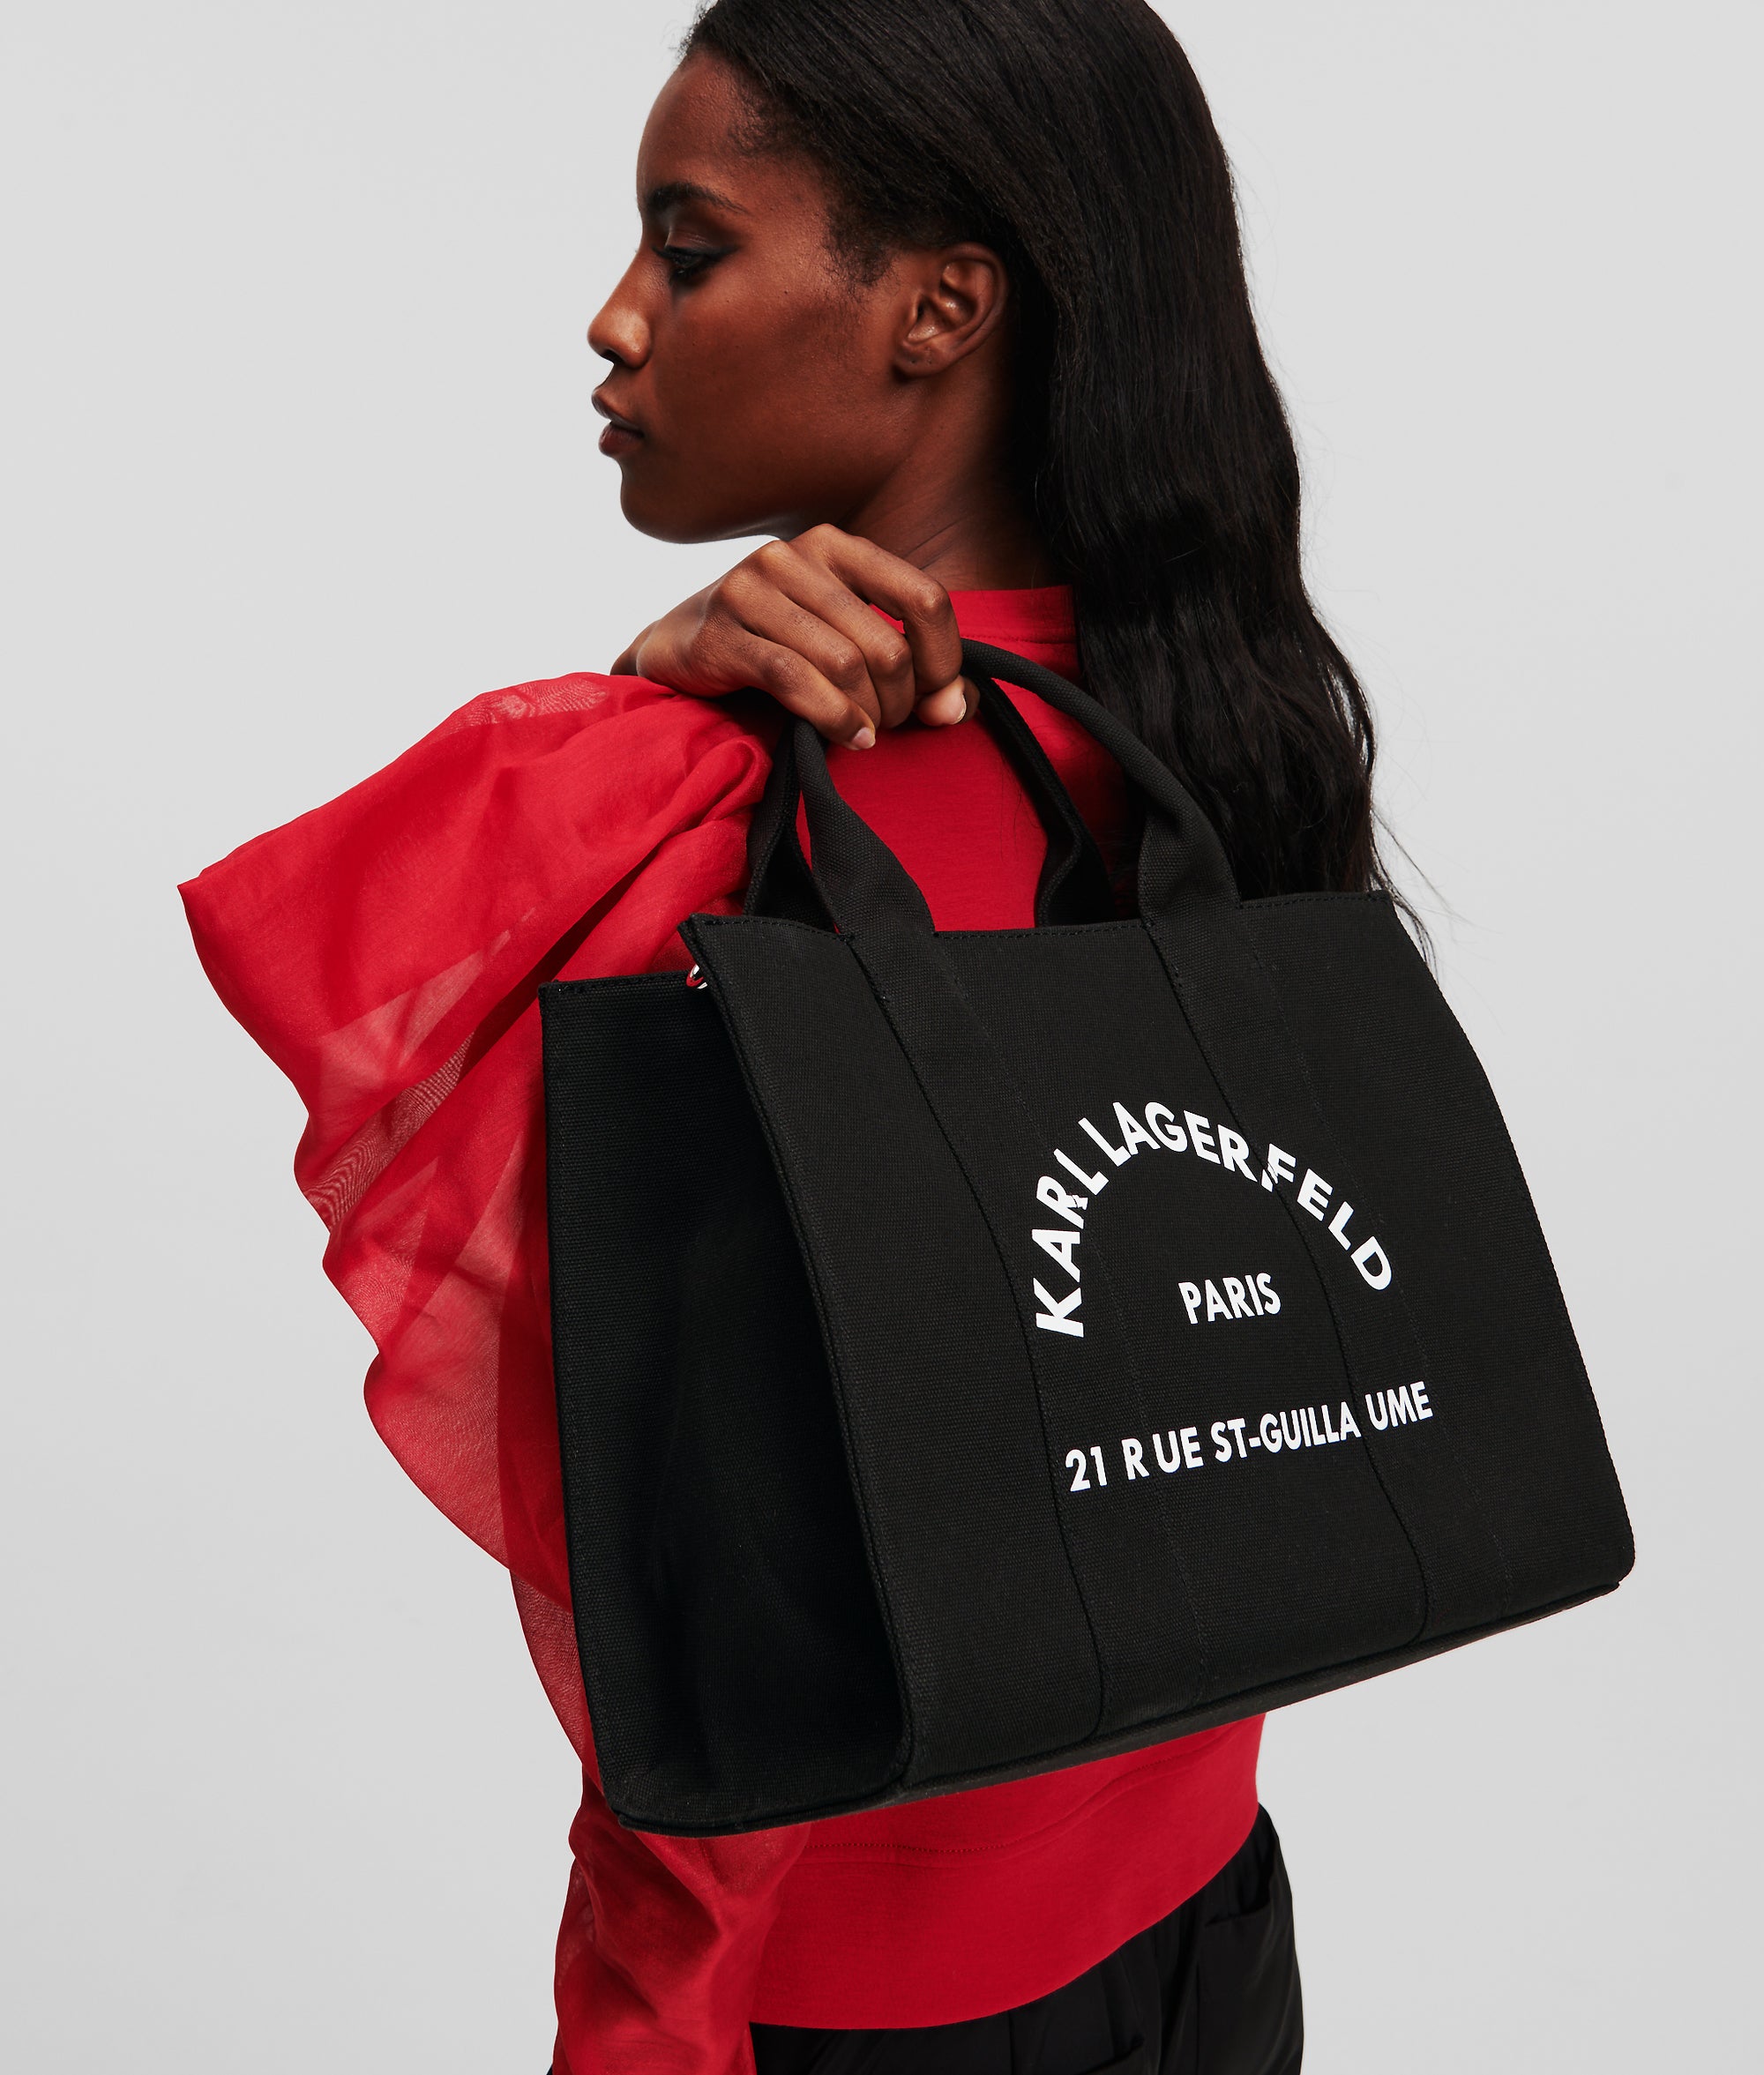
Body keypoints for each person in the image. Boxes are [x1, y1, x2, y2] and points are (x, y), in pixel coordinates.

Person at [181, 1, 1400, 2066]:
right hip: (1206, 1902)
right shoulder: (1222, 726)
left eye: (688, 247)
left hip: (868, 1988)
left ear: (938, 308)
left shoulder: (728, 815)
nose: (613, 319)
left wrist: (633, 722)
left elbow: (684, 1552)